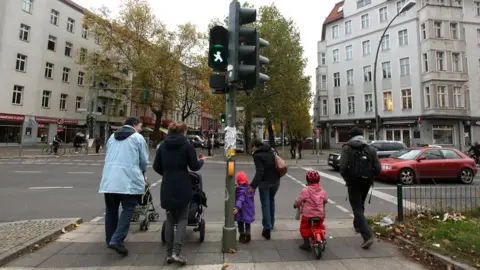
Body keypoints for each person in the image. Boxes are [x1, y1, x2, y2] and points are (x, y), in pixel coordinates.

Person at [153, 122, 205, 265]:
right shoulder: (187, 146)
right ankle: (177, 252)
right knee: (182, 219)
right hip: (183, 185)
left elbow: (156, 166)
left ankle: (169, 254)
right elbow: (194, 166)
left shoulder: (162, 146)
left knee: (170, 219)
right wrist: (201, 161)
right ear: (184, 132)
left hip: (167, 185)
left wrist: (168, 173)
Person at [99, 117, 149, 256]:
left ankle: (110, 239)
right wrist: (143, 173)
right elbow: (143, 161)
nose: (141, 128)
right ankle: (117, 239)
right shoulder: (138, 138)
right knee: (128, 208)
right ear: (134, 125)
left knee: (111, 210)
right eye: (140, 125)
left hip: (109, 180)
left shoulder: (112, 137)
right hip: (128, 180)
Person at [339, 126, 381, 249]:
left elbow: (342, 168)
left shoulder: (347, 148)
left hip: (353, 182)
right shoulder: (370, 149)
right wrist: (371, 176)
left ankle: (367, 236)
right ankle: (358, 225)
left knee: (357, 207)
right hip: (366, 182)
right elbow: (378, 168)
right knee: (360, 204)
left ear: (351, 136)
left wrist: (347, 179)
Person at [248, 138, 280, 240]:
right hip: (275, 181)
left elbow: (260, 172)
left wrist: (253, 186)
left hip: (265, 183)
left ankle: (267, 229)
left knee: (265, 205)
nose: (251, 149)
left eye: (251, 147)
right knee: (272, 201)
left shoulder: (257, 155)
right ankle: (271, 224)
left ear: (254, 146)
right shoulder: (272, 150)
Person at [293, 170, 328, 251]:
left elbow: (299, 200)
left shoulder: (306, 190)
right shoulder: (322, 191)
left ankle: (306, 244)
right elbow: (326, 200)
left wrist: (295, 205)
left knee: (304, 228)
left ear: (307, 180)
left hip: (307, 215)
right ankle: (321, 236)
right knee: (319, 225)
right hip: (320, 214)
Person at [233, 171, 255, 243]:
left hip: (242, 210)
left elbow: (240, 199)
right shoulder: (250, 189)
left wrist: (237, 207)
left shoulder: (239, 190)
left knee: (240, 222)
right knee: (247, 222)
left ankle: (242, 235)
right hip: (249, 209)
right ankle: (248, 233)